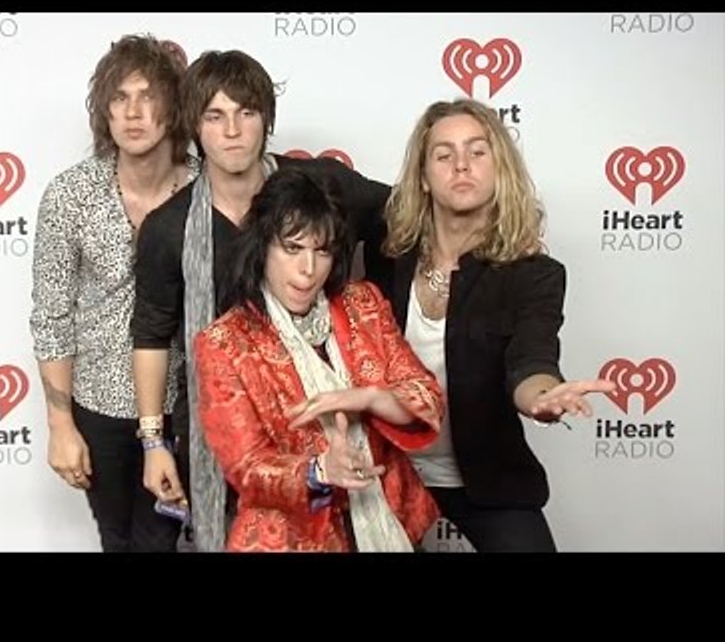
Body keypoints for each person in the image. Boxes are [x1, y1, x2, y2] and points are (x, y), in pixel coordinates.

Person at [131, 49, 390, 551]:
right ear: (194, 127)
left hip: (325, 418)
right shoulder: (168, 229)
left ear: (265, 121)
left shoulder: (320, 186)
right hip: (222, 430)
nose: (232, 131)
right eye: (215, 116)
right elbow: (151, 337)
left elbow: (402, 217)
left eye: (246, 113)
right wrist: (153, 442)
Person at [366, 98, 616, 552]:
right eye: (444, 155)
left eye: (478, 152)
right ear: (423, 177)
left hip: (486, 476)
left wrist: (542, 397)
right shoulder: (385, 256)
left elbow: (532, 360)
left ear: (499, 168)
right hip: (386, 472)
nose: (461, 165)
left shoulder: (534, 274)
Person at [193, 167, 443, 552]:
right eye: (292, 248)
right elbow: (245, 464)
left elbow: (427, 396)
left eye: (321, 250)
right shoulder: (225, 342)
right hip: (293, 537)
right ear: (262, 247)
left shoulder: (364, 304)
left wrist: (368, 398)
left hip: (389, 522)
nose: (308, 270)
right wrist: (319, 471)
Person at [30, 34, 199, 552]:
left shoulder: (207, 189)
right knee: (117, 540)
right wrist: (60, 424)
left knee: (159, 541)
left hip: (186, 403)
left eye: (148, 97)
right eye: (120, 99)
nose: (133, 113)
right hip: (98, 407)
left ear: (174, 109)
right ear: (103, 112)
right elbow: (51, 315)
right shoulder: (69, 194)